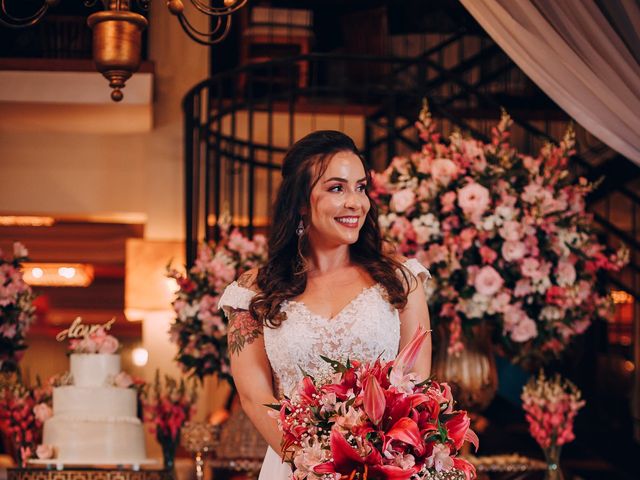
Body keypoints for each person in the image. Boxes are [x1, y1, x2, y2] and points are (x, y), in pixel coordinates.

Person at [218, 130, 432, 479]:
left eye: (360, 187)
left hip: (382, 469)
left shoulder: (401, 279)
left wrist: (373, 462)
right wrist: (315, 466)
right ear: (301, 201)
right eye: (337, 188)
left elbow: (416, 383)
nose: (355, 202)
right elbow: (252, 394)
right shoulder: (254, 289)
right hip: (294, 467)